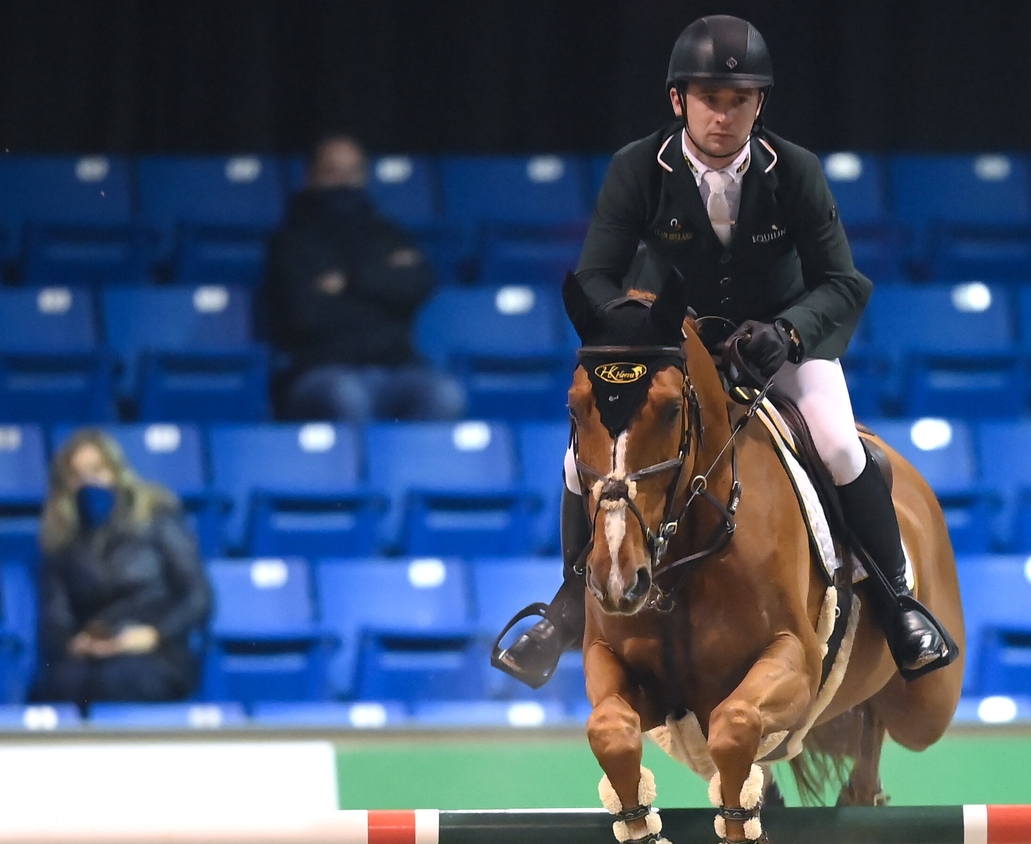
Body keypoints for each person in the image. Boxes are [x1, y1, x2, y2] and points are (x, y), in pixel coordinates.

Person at [502, 15, 955, 687]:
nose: (724, 115)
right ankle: (570, 605)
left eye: (738, 100)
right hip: (676, 349)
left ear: (759, 104)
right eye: (709, 99)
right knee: (580, 460)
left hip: (782, 347)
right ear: (678, 100)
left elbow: (844, 282)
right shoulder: (640, 168)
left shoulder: (793, 170)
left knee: (837, 442)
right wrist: (648, 326)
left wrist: (789, 333)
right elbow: (595, 275)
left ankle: (897, 602)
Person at [261, 135, 464, 421]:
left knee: (443, 394)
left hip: (395, 368)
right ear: (310, 176)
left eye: (352, 172)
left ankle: (418, 467)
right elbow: (304, 315)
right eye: (333, 172)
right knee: (347, 396)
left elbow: (418, 281)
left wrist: (349, 280)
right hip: (320, 370)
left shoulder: (385, 232)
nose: (344, 181)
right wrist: (382, 284)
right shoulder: (292, 241)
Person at [29, 430, 213, 710]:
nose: (88, 482)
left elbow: (198, 597)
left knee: (120, 681)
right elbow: (56, 617)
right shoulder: (62, 541)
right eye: (76, 475)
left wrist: (154, 634)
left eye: (97, 470)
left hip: (155, 650)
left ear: (116, 472)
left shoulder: (156, 518)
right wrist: (79, 643)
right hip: (94, 655)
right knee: (62, 684)